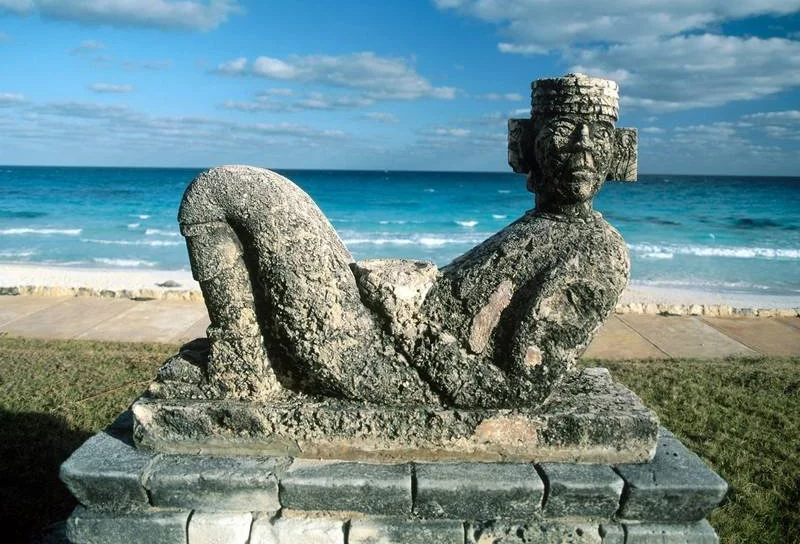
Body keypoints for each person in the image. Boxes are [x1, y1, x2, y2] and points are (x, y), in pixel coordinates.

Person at [176, 74, 630, 409]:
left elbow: (514, 391)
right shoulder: (544, 224)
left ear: (621, 152)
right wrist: (414, 282)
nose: (583, 146)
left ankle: (245, 357)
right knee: (224, 194)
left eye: (600, 133)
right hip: (380, 330)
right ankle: (249, 352)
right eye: (564, 129)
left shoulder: (597, 253)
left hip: (384, 357)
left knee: (219, 192)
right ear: (526, 143)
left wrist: (406, 323)